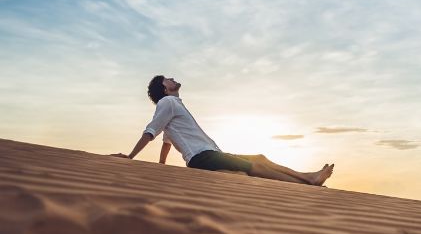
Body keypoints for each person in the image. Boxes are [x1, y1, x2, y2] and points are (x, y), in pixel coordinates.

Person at [111, 75, 334, 186]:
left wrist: (162, 167)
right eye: (168, 78)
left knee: (259, 158)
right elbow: (151, 132)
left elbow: (167, 140)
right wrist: (130, 157)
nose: (173, 78)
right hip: (202, 157)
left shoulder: (173, 107)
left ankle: (307, 177)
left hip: (209, 153)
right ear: (164, 87)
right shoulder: (167, 103)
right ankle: (305, 184)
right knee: (255, 167)